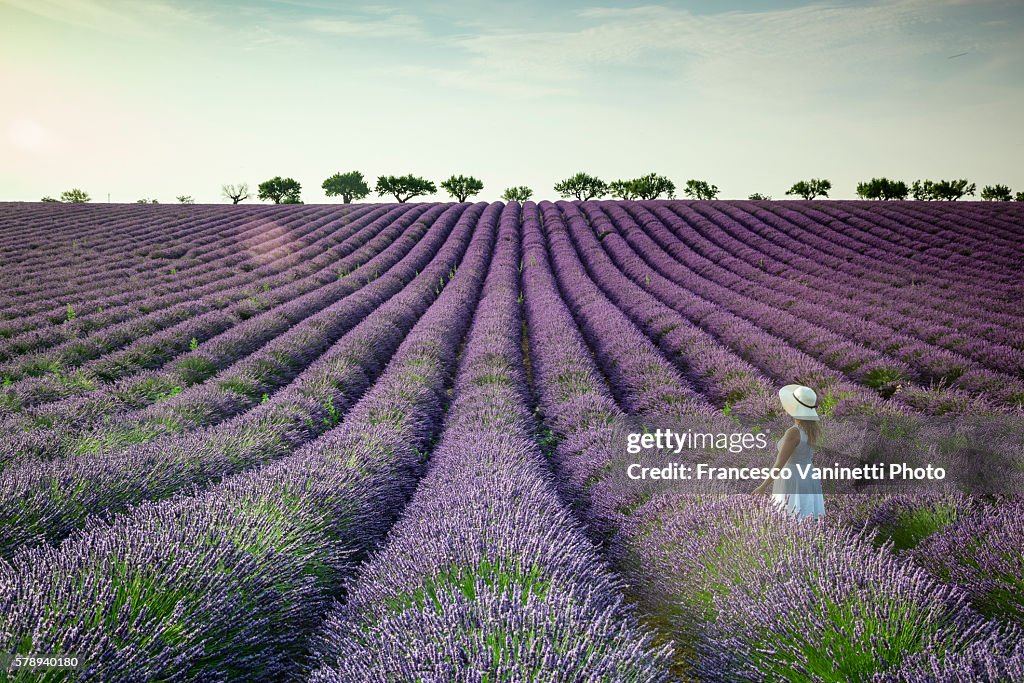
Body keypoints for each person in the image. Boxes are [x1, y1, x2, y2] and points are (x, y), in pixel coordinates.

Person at [752, 384, 825, 520]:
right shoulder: (813, 430)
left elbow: (780, 463)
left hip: (792, 479)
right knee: (808, 518)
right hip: (809, 476)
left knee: (790, 519)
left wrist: (763, 487)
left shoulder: (793, 432)